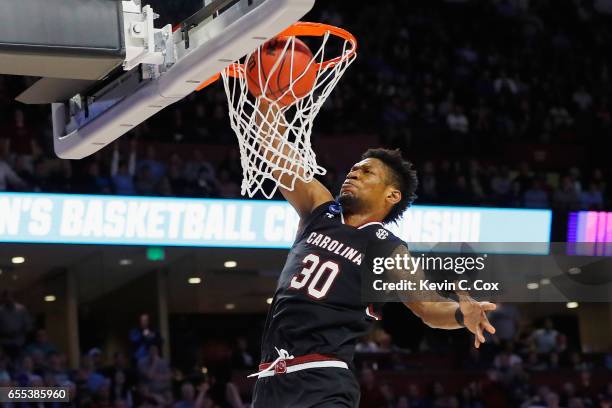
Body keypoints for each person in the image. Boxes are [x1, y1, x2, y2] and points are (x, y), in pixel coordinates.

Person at [251, 101, 496, 408]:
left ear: (391, 195)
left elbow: (429, 307)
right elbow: (274, 148)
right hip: (269, 381)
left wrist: (463, 315)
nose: (353, 174)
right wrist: (268, 98)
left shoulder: (386, 248)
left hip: (322, 380)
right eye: (354, 169)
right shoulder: (320, 208)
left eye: (367, 173)